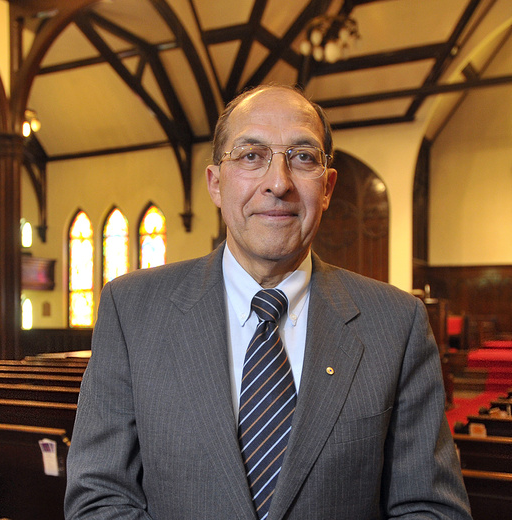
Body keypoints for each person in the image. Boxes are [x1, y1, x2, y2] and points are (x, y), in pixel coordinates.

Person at [64, 85, 471, 519]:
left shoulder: (396, 323)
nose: (278, 183)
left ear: (328, 187)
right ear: (216, 183)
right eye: (251, 155)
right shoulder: (132, 310)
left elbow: (431, 509)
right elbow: (100, 497)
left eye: (303, 157)